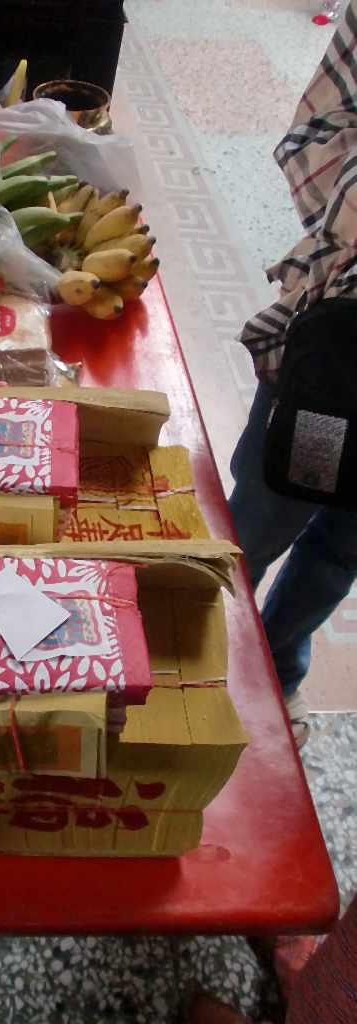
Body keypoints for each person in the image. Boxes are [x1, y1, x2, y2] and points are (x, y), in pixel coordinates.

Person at [229, 0, 357, 746]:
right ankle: (199, 645)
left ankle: (276, 664)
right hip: (342, 368)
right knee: (270, 509)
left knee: (344, 543)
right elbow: (315, 132)